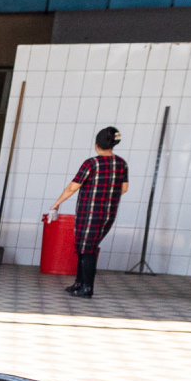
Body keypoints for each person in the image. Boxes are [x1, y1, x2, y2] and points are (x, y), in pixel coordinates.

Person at [49, 127, 129, 299]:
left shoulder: (91, 163)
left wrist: (57, 203)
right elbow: (124, 188)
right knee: (85, 247)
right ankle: (78, 283)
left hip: (90, 212)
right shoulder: (122, 163)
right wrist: (108, 195)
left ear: (96, 144)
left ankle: (87, 288)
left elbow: (73, 187)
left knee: (87, 250)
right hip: (109, 213)